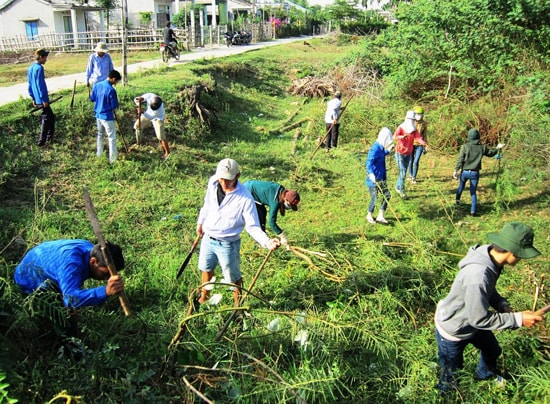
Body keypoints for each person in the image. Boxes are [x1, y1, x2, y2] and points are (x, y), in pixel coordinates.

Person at [435, 222, 543, 394]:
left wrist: (501, 304)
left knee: (493, 350)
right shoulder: (478, 275)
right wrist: (518, 319)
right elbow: (479, 319)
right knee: (452, 375)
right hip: (454, 329)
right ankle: (446, 395)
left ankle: (484, 376)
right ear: (512, 251)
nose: (522, 259)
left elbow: (487, 290)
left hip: (473, 321)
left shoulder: (490, 257)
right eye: (522, 255)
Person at [196, 158, 280, 306]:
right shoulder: (213, 182)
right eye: (222, 179)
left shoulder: (245, 198)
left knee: (232, 278)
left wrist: (267, 241)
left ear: (238, 176)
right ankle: (204, 296)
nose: (223, 183)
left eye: (228, 180)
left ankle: (238, 305)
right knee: (206, 269)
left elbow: (252, 226)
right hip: (208, 238)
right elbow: (207, 204)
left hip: (228, 244)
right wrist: (201, 222)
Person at [14, 239, 125, 310]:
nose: (108, 278)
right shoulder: (71, 264)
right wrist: (105, 291)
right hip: (29, 281)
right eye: (105, 273)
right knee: (66, 318)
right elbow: (71, 300)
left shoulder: (89, 249)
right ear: (93, 261)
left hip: (48, 266)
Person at [453, 128, 504, 216]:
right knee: (473, 192)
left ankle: (457, 202)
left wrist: (455, 170)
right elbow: (491, 153)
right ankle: (473, 211)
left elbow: (460, 159)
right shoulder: (482, 147)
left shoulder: (465, 147)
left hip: (464, 172)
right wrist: (497, 148)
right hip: (475, 173)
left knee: (461, 187)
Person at [243, 180, 300, 245]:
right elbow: (271, 222)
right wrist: (282, 235)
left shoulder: (283, 192)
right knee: (259, 216)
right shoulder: (275, 201)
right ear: (285, 199)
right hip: (248, 192)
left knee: (263, 212)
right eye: (290, 205)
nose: (289, 207)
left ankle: (262, 237)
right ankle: (258, 242)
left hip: (253, 188)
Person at [393, 110, 428, 198]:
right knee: (403, 172)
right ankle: (401, 190)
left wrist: (424, 144)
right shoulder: (401, 127)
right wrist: (401, 137)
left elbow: (418, 138)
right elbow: (394, 137)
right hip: (400, 152)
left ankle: (397, 186)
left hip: (408, 153)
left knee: (403, 172)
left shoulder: (414, 129)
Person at [90, 69, 122, 164]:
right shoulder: (111, 90)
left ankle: (99, 154)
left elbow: (92, 99)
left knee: (100, 135)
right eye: (116, 81)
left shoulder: (97, 85)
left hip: (98, 115)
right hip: (107, 116)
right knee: (111, 137)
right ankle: (113, 159)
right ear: (113, 79)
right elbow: (114, 105)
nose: (115, 83)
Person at [365, 127, 394, 224]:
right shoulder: (375, 148)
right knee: (375, 197)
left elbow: (381, 155)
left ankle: (380, 215)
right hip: (373, 178)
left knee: (387, 195)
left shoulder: (381, 148)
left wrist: (388, 150)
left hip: (381, 177)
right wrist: (371, 174)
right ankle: (369, 215)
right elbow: (369, 162)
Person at [28, 48, 55, 146]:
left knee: (51, 117)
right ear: (40, 57)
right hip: (42, 99)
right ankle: (42, 141)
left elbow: (30, 85)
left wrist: (33, 98)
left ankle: (49, 138)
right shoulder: (39, 68)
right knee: (46, 118)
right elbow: (40, 85)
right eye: (45, 57)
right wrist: (44, 99)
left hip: (37, 98)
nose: (46, 60)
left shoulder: (30, 68)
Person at [134, 93, 170, 158]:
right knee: (137, 126)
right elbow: (136, 100)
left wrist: (142, 112)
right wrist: (138, 100)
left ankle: (167, 153)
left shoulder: (159, 109)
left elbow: (151, 117)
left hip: (157, 118)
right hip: (147, 114)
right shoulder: (149, 96)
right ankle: (138, 143)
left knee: (160, 136)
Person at [407, 106, 428, 184]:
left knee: (416, 161)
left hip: (420, 145)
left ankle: (414, 177)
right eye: (417, 114)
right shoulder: (411, 122)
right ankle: (410, 175)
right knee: (410, 161)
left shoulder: (424, 124)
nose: (418, 116)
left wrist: (426, 145)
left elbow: (425, 135)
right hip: (411, 144)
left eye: (420, 114)